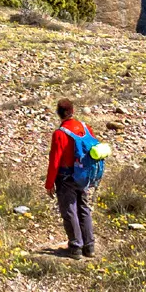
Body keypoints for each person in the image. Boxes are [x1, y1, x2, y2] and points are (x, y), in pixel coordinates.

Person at [45, 97, 97, 258]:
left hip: (65, 176)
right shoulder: (85, 128)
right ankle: (89, 246)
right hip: (83, 175)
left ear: (59, 113)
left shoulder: (60, 134)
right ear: (72, 111)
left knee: (69, 210)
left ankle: (75, 247)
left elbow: (54, 161)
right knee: (83, 208)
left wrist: (49, 184)